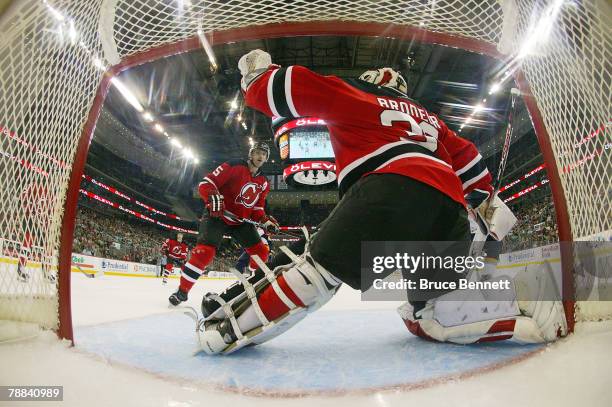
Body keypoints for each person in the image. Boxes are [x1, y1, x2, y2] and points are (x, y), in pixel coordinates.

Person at [194, 50, 567, 354]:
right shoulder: (432, 121)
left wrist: (256, 73)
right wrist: (483, 213)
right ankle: (529, 300)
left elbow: (283, 87)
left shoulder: (358, 94)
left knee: (316, 270)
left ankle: (228, 330)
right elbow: (473, 169)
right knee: (432, 315)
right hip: (449, 210)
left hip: (387, 191)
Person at [168, 142, 280, 305]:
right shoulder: (234, 165)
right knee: (204, 252)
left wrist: (265, 221)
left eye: (264, 154)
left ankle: (255, 286)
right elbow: (206, 184)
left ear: (266, 158)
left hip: (240, 221)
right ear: (251, 154)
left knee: (261, 252)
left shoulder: (264, 182)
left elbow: (257, 209)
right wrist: (212, 195)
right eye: (257, 152)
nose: (260, 156)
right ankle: (182, 291)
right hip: (217, 215)